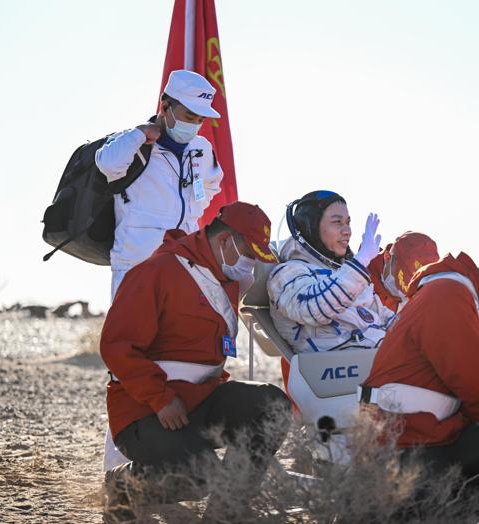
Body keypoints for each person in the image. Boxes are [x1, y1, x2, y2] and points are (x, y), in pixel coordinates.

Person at [100, 202, 289, 523]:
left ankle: (222, 516)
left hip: (198, 404)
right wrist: (159, 399)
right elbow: (116, 346)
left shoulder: (224, 279)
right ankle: (123, 486)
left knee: (271, 404)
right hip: (147, 414)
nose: (252, 264)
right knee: (201, 476)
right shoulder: (156, 272)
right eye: (250, 253)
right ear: (225, 240)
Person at [361, 246, 479, 517]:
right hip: (403, 444)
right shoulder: (450, 295)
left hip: (416, 432)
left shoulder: (454, 291)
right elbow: (472, 380)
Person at [95, 69, 225, 301]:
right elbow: (106, 164)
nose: (194, 124)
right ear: (165, 107)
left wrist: (189, 216)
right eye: (189, 116)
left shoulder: (201, 148)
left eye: (200, 120)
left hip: (184, 264)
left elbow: (212, 184)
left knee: (177, 337)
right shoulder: (133, 142)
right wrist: (139, 135)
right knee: (131, 336)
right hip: (136, 264)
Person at [267, 190, 395, 354]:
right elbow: (315, 309)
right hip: (338, 368)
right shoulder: (286, 274)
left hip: (373, 358)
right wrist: (360, 262)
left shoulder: (342, 273)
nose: (347, 230)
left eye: (348, 222)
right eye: (337, 222)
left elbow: (382, 315)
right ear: (311, 227)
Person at [367, 231, 439, 312]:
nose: (403, 293)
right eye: (402, 279)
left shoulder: (417, 303)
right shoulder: (358, 276)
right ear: (387, 258)